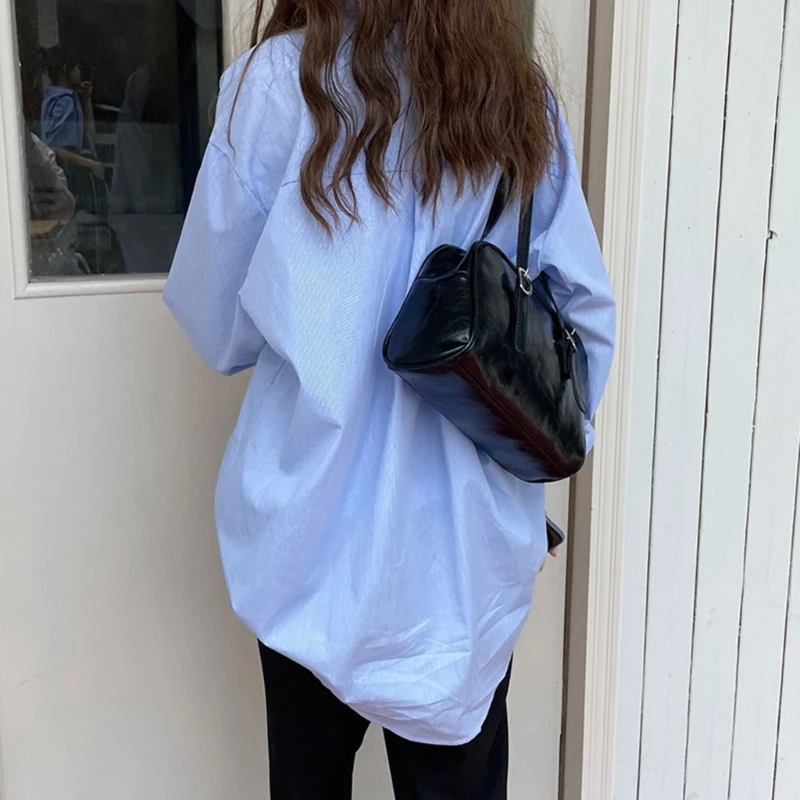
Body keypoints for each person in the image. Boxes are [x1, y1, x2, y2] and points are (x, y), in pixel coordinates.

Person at [164, 1, 615, 798]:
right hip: (463, 567)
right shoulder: (515, 97)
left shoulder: (276, 86)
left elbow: (216, 323)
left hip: (308, 548)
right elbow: (582, 331)